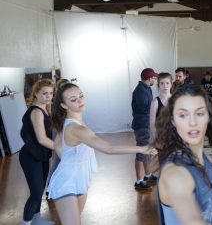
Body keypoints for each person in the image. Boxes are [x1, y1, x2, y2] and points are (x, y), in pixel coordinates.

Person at [47, 83, 156, 225]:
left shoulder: (70, 124)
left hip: (80, 180)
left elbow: (56, 145)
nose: (80, 101)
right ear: (64, 105)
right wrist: (141, 149)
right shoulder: (75, 128)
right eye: (73, 99)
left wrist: (70, 160)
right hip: (66, 182)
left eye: (81, 96)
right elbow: (108, 149)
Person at [155, 84, 212, 225]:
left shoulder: (203, 158)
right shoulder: (175, 174)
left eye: (199, 113)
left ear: (208, 117)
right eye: (183, 115)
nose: (192, 122)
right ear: (173, 121)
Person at [19, 79, 55, 225]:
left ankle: (37, 219)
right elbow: (42, 139)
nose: (48, 96)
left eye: (51, 93)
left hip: (41, 155)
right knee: (36, 193)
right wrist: (61, 147)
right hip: (30, 157)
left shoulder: (45, 108)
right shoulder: (36, 112)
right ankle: (26, 223)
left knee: (39, 191)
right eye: (44, 93)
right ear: (36, 93)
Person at [131, 68, 159, 190]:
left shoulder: (146, 88)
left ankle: (148, 175)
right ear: (149, 78)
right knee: (141, 152)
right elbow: (145, 110)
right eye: (154, 77)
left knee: (147, 150)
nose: (155, 79)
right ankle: (138, 181)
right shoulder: (141, 92)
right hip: (142, 126)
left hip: (146, 124)